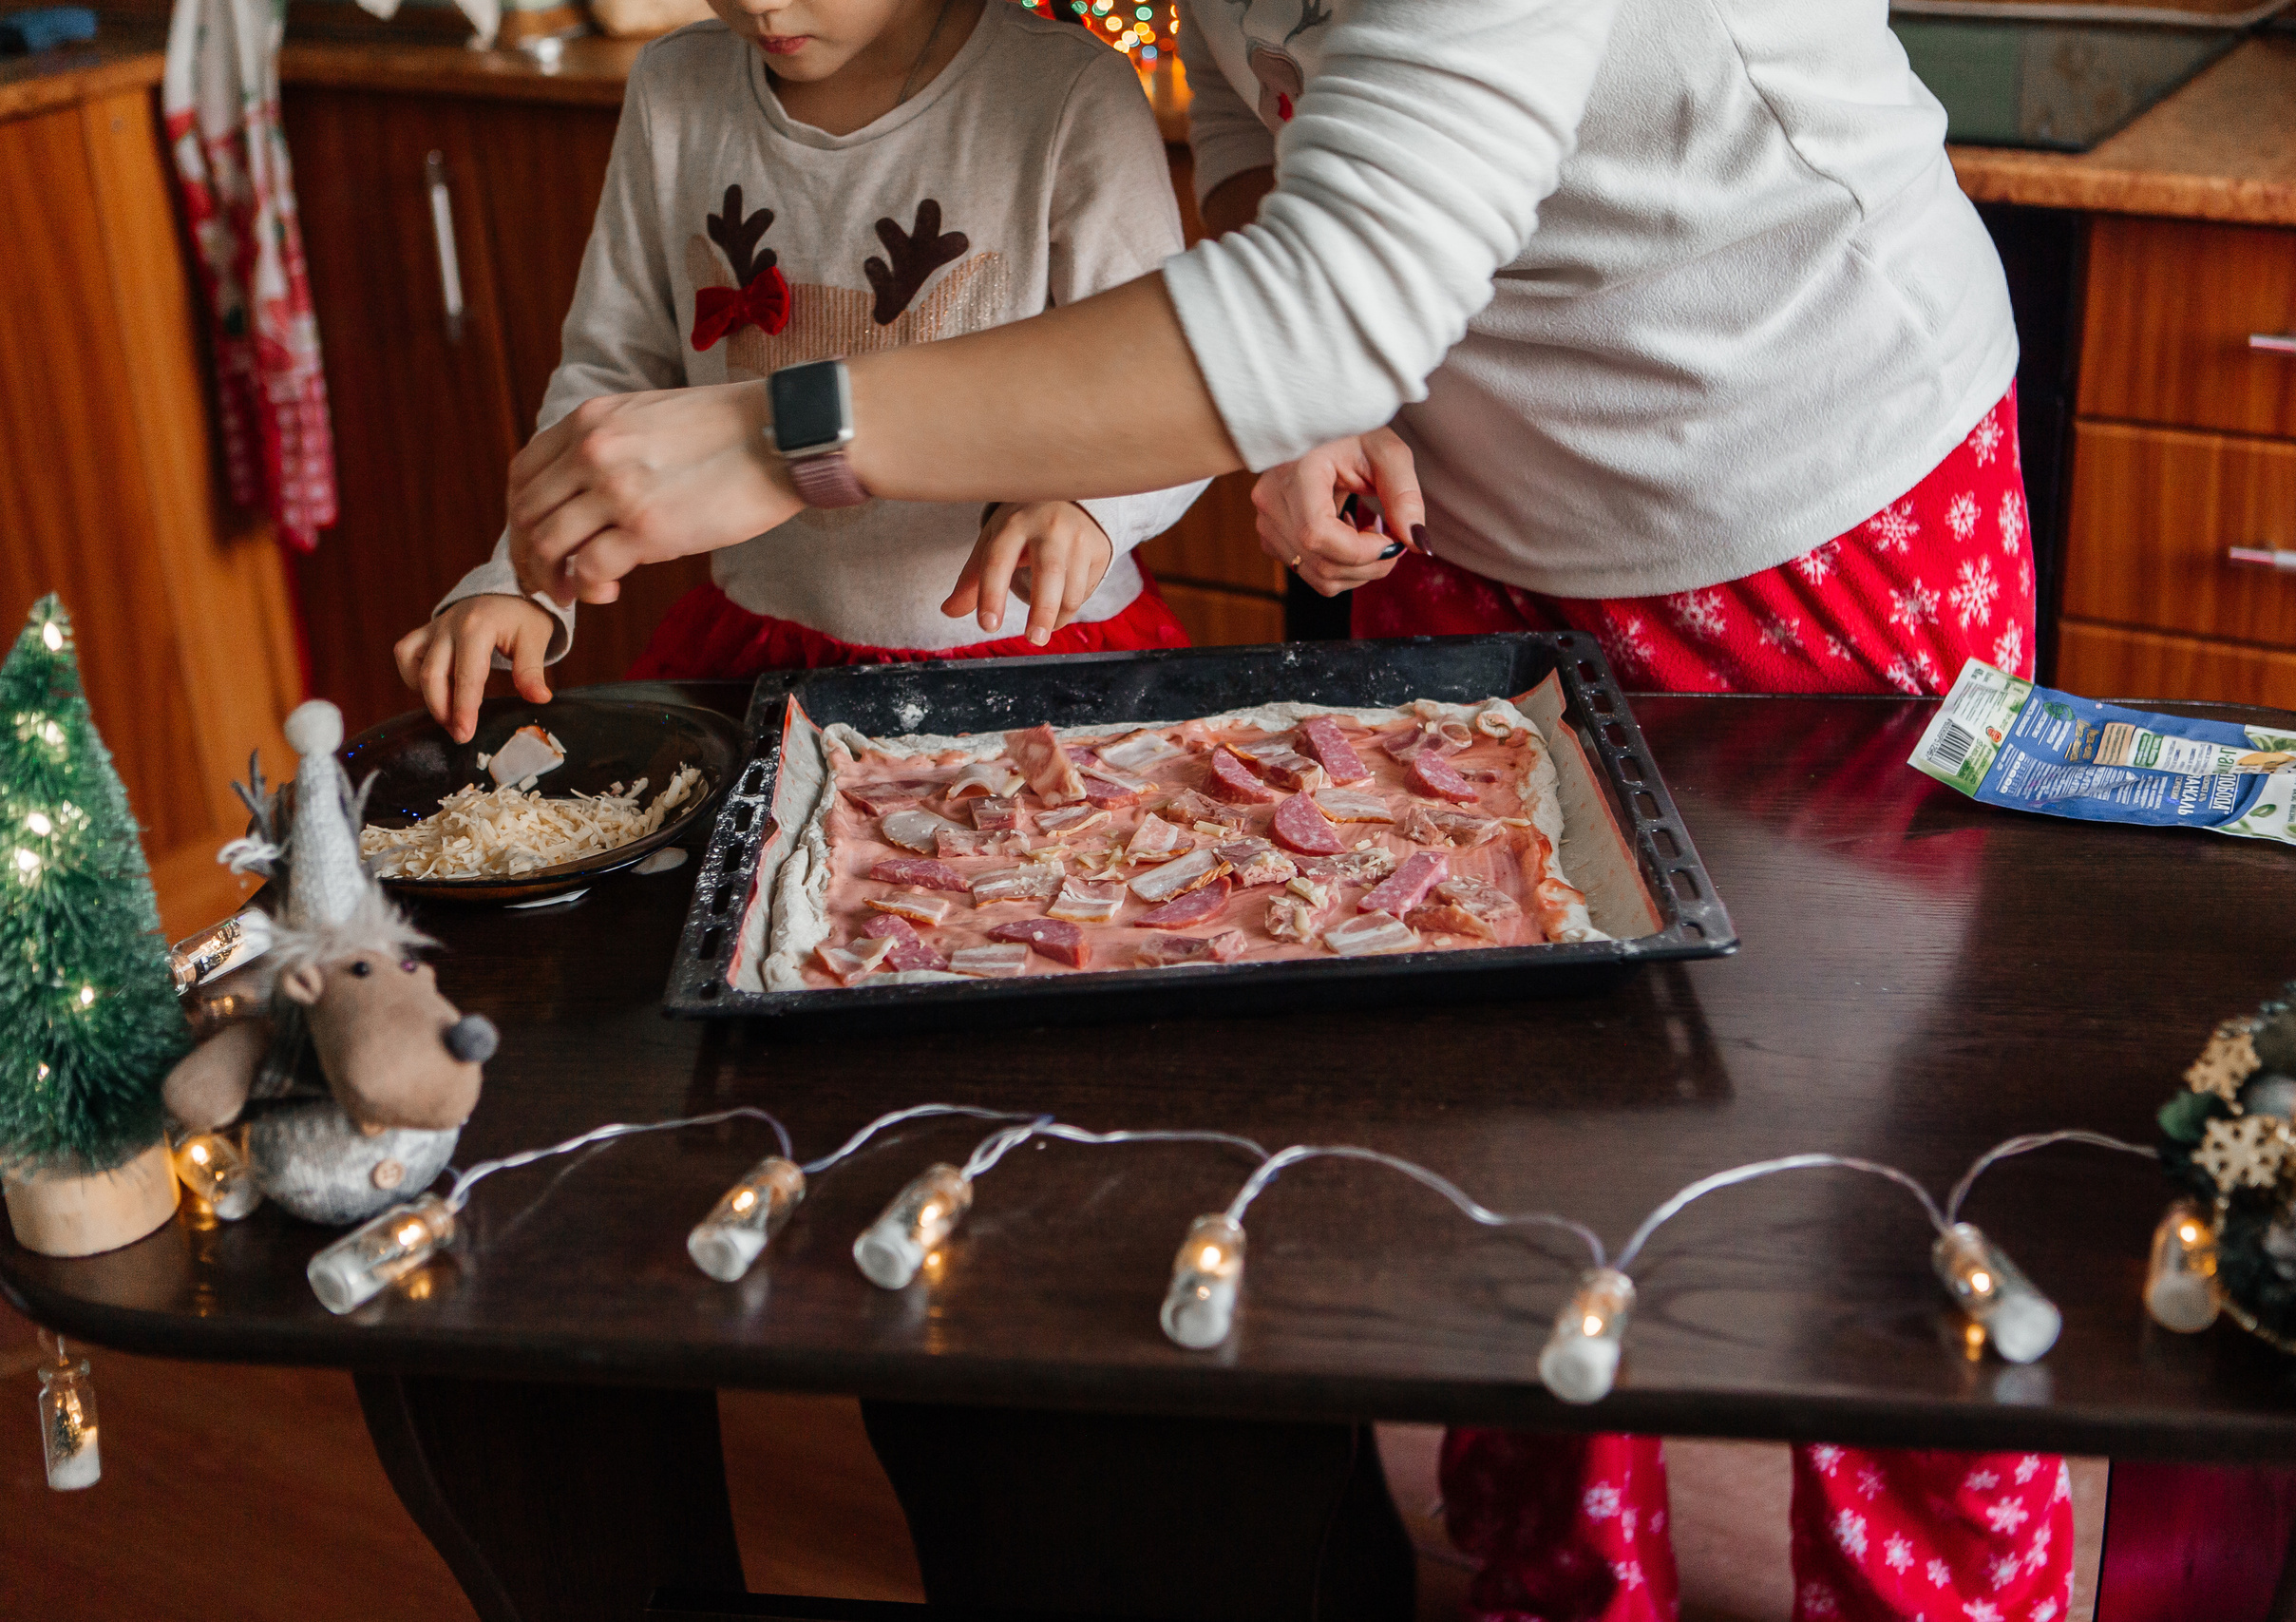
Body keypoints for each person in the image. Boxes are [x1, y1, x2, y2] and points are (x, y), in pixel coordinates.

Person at [489, 1, 2064, 1615]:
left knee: (1867, 1185)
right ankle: (1561, 1584)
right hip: (1464, 509)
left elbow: (1332, 295)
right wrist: (1312, 405)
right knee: (1514, 1145)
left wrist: (786, 429)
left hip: (1805, 493)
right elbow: (1266, 116)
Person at [394, 0, 1205, 742]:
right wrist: (521, 576)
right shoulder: (674, 85)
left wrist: (1090, 506)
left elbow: (1175, 390)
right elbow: (610, 375)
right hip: (762, 653)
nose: (758, 5)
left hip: (1035, 659)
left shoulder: (1067, 94)